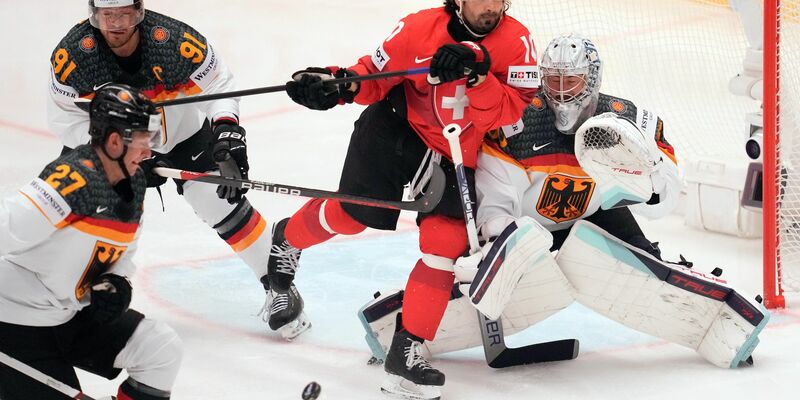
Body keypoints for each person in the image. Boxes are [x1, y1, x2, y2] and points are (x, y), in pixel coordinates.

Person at [359, 33, 768, 372]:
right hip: (524, 231)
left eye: (569, 81)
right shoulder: (518, 122)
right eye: (551, 80)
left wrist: (640, 176)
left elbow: (661, 201)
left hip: (596, 215)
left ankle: (719, 322)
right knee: (515, 244)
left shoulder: (631, 120)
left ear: (590, 80)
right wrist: (500, 242)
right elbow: (495, 204)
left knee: (646, 271)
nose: (558, 91)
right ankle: (406, 328)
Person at [279, 0, 538, 397]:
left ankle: (406, 354)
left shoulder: (517, 42)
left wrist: (478, 75)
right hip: (393, 129)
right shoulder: (418, 28)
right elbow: (373, 76)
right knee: (352, 216)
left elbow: (506, 113)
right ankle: (287, 240)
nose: (490, 6)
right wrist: (333, 84)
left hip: (453, 149)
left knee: (444, 243)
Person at [46, 0, 308, 339]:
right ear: (93, 14)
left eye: (124, 13)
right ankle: (72, 295)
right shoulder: (74, 56)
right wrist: (123, 153)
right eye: (107, 15)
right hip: (109, 146)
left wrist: (227, 131)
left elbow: (219, 84)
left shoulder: (173, 42)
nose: (115, 24)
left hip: (180, 136)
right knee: (87, 207)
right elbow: (64, 117)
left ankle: (277, 284)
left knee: (216, 199)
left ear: (139, 11)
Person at [0, 84, 182, 400]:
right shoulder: (71, 182)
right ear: (114, 142)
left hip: (69, 316)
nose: (149, 152)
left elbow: (124, 250)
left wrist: (116, 282)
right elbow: (7, 225)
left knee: (159, 348)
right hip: (14, 322)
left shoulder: (133, 183)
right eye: (143, 142)